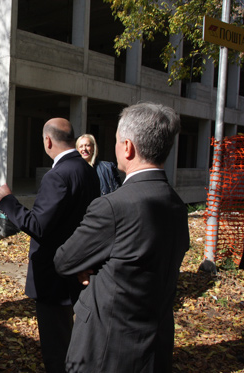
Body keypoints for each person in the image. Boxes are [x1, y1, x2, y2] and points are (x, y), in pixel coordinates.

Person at [53, 102, 189, 373]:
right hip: (156, 348)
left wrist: (87, 267)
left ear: (127, 147)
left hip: (106, 350)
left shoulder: (113, 206)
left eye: (115, 140)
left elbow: (64, 259)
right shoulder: (177, 204)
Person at [0, 118, 100, 373]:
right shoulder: (87, 171)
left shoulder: (57, 175)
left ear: (47, 141)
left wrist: (7, 201)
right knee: (74, 340)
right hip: (79, 267)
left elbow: (38, 226)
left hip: (54, 276)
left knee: (56, 349)